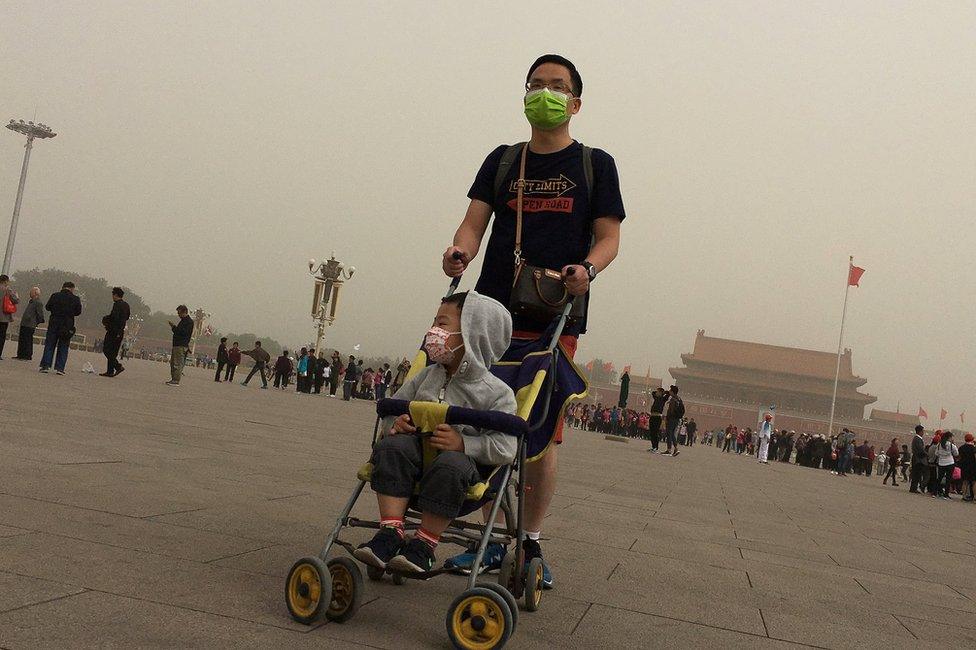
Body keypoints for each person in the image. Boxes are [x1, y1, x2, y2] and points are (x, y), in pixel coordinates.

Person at [353, 291, 517, 574]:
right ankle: (390, 532)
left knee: (451, 465)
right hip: (412, 463)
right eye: (434, 324)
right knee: (392, 447)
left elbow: (505, 447)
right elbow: (393, 408)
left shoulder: (497, 394)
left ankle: (424, 544)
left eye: (442, 325)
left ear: (472, 334)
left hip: (459, 476)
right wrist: (396, 423)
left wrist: (464, 444)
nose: (433, 333)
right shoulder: (427, 376)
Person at [39, 281, 82, 375]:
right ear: (72, 288)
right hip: (67, 326)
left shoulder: (55, 295)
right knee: (63, 346)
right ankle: (60, 368)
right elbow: (78, 312)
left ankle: (45, 366)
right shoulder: (75, 299)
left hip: (54, 323)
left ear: (63, 287)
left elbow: (47, 307)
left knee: (50, 344)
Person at [100, 287, 130, 377]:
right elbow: (127, 317)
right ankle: (110, 371)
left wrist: (106, 319)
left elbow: (114, 317)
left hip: (113, 331)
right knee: (113, 352)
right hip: (120, 331)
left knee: (106, 349)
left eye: (113, 295)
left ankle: (117, 366)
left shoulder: (117, 305)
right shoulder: (126, 305)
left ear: (115, 295)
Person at [165, 305, 193, 386]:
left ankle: (176, 380)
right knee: (173, 363)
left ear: (184, 312)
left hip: (180, 345)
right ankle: (173, 379)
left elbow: (182, 333)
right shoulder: (183, 321)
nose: (178, 315)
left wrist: (173, 327)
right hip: (178, 344)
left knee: (177, 363)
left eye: (179, 313)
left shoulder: (188, 322)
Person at [14, 286, 43, 360]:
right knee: (22, 339)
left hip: (30, 324)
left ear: (35, 293)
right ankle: (20, 354)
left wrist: (36, 322)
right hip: (24, 323)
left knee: (27, 340)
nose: (30, 293)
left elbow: (40, 315)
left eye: (32, 291)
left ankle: (27, 355)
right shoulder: (31, 301)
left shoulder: (38, 302)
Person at [0, 274, 19, 359]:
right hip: (4, 317)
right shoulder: (8, 289)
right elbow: (15, 300)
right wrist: (17, 296)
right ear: (6, 281)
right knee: (1, 335)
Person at [935, 432, 959, 500]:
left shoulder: (939, 444)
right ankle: (946, 494)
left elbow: (936, 453)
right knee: (948, 479)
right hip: (950, 463)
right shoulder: (951, 445)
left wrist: (942, 455)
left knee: (939, 478)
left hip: (941, 463)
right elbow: (956, 453)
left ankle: (935, 492)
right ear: (949, 437)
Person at [662, 386, 684, 457]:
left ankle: (670, 449)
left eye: (670, 390)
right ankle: (675, 449)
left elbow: (671, 411)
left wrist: (667, 418)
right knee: (672, 434)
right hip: (677, 419)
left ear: (672, 391)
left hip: (671, 418)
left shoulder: (673, 400)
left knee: (669, 433)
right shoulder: (679, 399)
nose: (669, 391)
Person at [958, 433, 976, 501]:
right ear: (972, 439)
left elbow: (959, 457)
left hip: (964, 467)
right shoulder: (973, 448)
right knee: (974, 482)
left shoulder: (961, 448)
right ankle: (975, 497)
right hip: (973, 467)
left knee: (965, 482)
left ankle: (964, 496)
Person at [909, 425, 926, 493]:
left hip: (916, 458)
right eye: (923, 431)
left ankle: (913, 488)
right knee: (917, 474)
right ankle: (914, 488)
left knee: (916, 474)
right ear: (920, 431)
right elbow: (920, 450)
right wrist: (926, 454)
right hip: (918, 459)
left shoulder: (916, 439)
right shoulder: (918, 439)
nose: (923, 433)